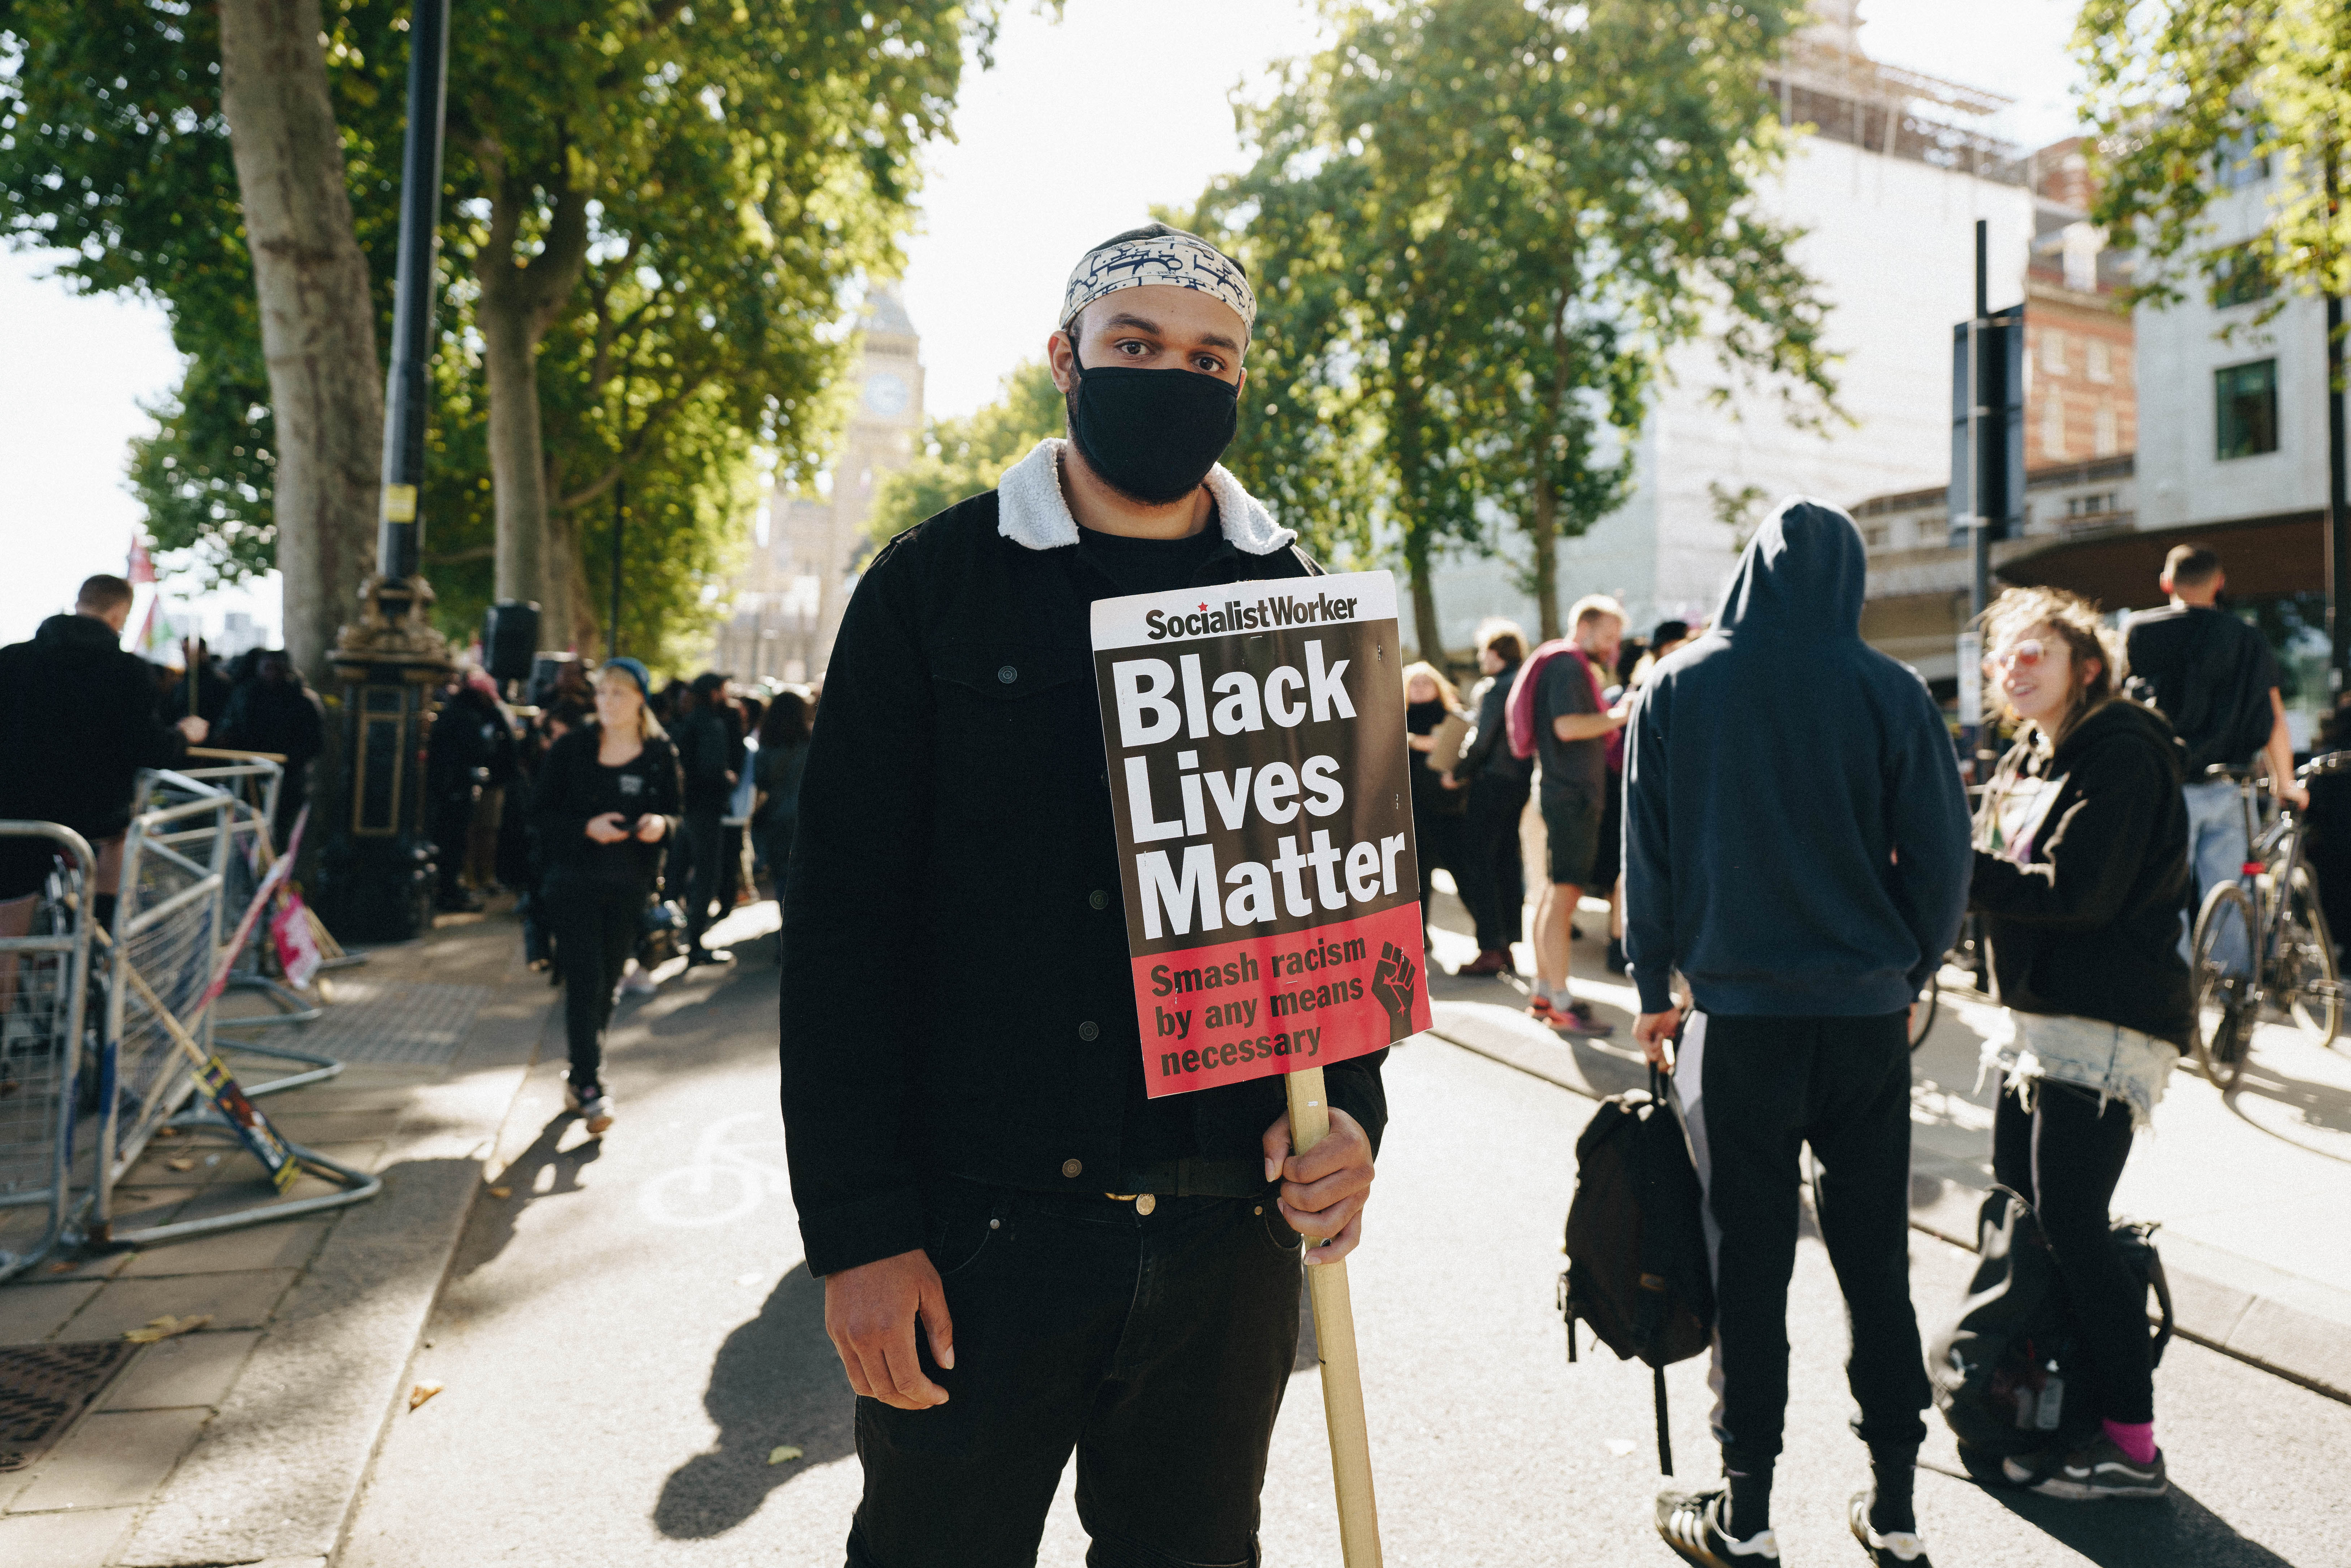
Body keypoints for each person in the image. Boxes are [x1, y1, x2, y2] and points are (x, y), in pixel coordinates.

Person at [778, 221, 1384, 1568]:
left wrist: (1353, 1118)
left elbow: (1329, 918)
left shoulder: (1293, 602)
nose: (1175, 374)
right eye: (1137, 346)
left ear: (1240, 380)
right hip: (981, 1236)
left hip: (1228, 1242)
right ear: (1065, 358)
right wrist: (860, 1236)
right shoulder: (929, 588)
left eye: (1209, 355)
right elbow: (841, 936)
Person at [1624, 499, 1970, 1568]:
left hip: (1738, 1026)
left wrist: (1650, 984)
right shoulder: (1889, 690)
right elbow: (1943, 854)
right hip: (1864, 1020)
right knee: (1877, 1266)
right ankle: (1898, 1508)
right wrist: (1909, 967)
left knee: (1750, 1269)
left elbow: (1649, 856)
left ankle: (1746, 1508)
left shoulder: (1676, 685)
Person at [1971, 587, 2189, 1500]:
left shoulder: (2122, 754)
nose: (2012, 668)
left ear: (2085, 668)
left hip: (2104, 1025)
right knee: (2026, 1215)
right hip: (2038, 1022)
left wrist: (1951, 864)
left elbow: (2077, 893)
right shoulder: (2031, 755)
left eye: (2036, 654)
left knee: (2069, 1224)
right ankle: (2047, 1401)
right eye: (2003, 656)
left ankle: (2130, 1447)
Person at [0, 575, 208, 988]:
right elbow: (148, 747)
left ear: (79, 603)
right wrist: (186, 735)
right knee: (120, 834)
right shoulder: (128, 670)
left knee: (5, 945)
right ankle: (102, 929)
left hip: (16, 813)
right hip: (92, 813)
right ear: (119, 614)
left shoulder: (11, 659)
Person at [2122, 543, 2304, 968]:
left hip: (2164, 787)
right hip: (2227, 787)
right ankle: (2232, 996)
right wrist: (2285, 781)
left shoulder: (2139, 630)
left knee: (2164, 895)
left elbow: (2119, 707)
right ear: (2219, 583)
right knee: (2229, 893)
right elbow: (2272, 715)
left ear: (2166, 582)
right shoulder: (2245, 637)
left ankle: (2176, 988)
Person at [530, 659, 679, 1134]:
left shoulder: (659, 753)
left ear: (640, 699)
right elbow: (539, 816)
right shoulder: (573, 748)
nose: (607, 702)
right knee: (585, 979)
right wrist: (585, 829)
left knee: (609, 983)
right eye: (602, 693)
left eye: (618, 693)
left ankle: (579, 1077)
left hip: (630, 887)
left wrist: (663, 826)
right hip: (574, 884)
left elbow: (679, 818)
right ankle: (592, 1086)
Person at [1526, 595, 1628, 1036]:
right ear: (1583, 627)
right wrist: (1619, 714)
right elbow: (1568, 726)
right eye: (1607, 636)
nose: (1611, 647)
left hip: (1563, 792)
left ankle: (1545, 992)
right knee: (1563, 897)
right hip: (1572, 796)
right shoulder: (1568, 665)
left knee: (1553, 894)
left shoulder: (1562, 663)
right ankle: (1561, 1001)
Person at [1447, 620, 1532, 975]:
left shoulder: (1495, 688)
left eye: (1483, 651)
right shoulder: (1524, 683)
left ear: (1496, 653)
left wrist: (1457, 772)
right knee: (1506, 861)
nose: (1481, 658)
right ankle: (1508, 943)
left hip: (1492, 781)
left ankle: (1489, 947)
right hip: (1519, 781)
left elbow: (1481, 741)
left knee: (1479, 861)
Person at [214, 649, 325, 851]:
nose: (271, 673)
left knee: (281, 842)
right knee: (246, 841)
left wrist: (291, 758)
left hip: (288, 784)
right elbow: (230, 726)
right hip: (248, 780)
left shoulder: (303, 702)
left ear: (286, 670)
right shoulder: (245, 695)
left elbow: (314, 743)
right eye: (267, 668)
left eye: (276, 668)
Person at [674, 671, 738, 966]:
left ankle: (675, 937)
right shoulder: (711, 725)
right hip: (705, 811)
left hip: (688, 809)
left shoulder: (689, 722)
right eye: (724, 689)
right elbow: (712, 770)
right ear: (714, 692)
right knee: (705, 876)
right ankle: (695, 943)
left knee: (682, 873)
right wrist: (728, 779)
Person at [1403, 661, 1467, 953]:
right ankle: (1420, 933)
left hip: (1446, 807)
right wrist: (1417, 741)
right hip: (1411, 807)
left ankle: (1493, 942)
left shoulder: (1450, 716)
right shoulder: (1397, 717)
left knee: (1463, 869)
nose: (1419, 688)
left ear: (1437, 686)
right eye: (1414, 683)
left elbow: (1452, 749)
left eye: (1426, 682)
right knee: (1418, 876)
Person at [752, 688, 812, 899]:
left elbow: (761, 784)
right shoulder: (812, 744)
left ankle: (786, 926)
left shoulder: (766, 747)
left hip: (777, 818)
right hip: (808, 816)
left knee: (783, 876)